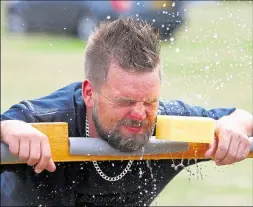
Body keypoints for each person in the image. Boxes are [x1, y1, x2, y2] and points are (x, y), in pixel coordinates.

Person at [1, 18, 252, 206]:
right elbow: (7, 124)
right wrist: (8, 129)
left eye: (150, 101)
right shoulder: (48, 117)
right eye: (125, 101)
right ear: (89, 93)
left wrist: (234, 127)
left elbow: (240, 118)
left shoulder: (167, 124)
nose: (140, 114)